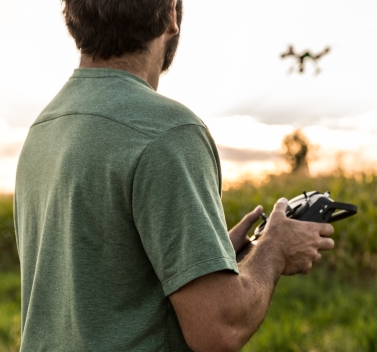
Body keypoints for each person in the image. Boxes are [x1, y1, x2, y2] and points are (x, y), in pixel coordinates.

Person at [13, 0, 335, 351]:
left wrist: (210, 257)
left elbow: (99, 284)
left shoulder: (45, 127)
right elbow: (218, 329)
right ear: (170, 14)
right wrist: (275, 249)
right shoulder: (166, 131)